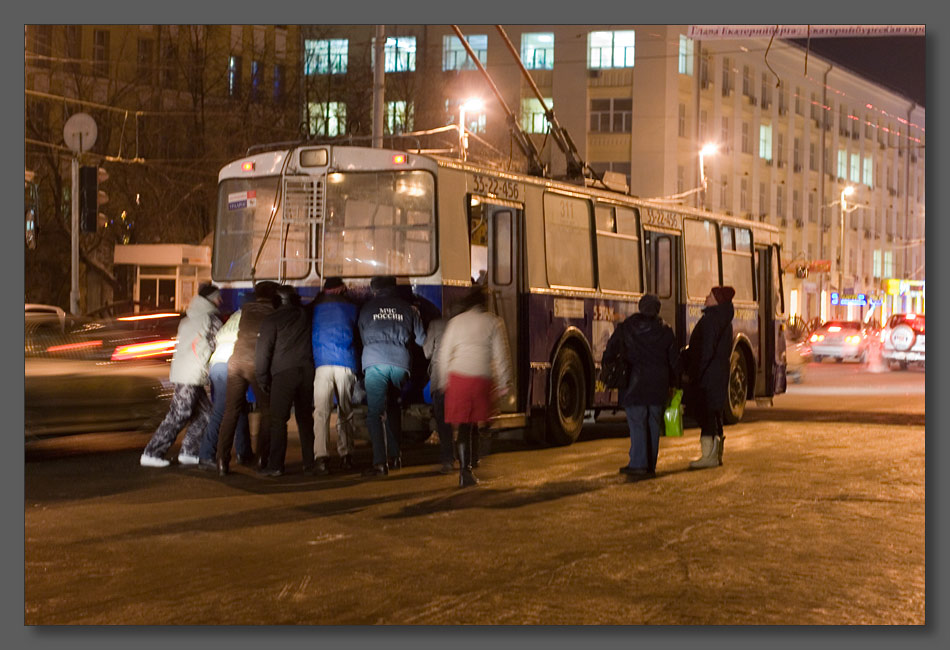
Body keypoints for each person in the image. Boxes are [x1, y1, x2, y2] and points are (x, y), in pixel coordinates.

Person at [435, 286, 512, 487]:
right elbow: (501, 355)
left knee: (463, 425)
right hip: (481, 379)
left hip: (458, 378)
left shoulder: (455, 322)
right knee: (479, 422)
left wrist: (444, 380)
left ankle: (464, 471)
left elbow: (444, 354)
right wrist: (505, 382)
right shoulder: (494, 322)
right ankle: (474, 462)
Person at [140, 283, 222, 468]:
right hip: (191, 373)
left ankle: (190, 452)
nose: (220, 300)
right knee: (180, 414)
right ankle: (152, 453)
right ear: (211, 299)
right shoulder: (211, 320)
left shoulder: (188, 319)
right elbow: (219, 343)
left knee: (205, 415)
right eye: (218, 296)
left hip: (184, 371)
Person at [603, 294, 679, 479]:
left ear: (640, 307)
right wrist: (674, 384)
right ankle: (650, 464)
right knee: (653, 423)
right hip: (658, 386)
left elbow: (610, 351)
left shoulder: (627, 327)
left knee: (637, 424)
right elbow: (675, 362)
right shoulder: (666, 331)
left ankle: (638, 463)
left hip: (633, 384)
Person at [357, 275, 426, 477]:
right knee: (394, 406)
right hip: (400, 364)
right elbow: (422, 340)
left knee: (375, 413)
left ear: (374, 290)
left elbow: (362, 337)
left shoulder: (366, 309)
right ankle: (396, 457)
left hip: (375, 362)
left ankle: (380, 463)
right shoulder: (410, 309)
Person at [215, 281, 279, 476]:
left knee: (231, 411)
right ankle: (261, 459)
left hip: (234, 362)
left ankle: (221, 461)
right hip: (256, 364)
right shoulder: (274, 313)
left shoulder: (245, 310)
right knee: (267, 410)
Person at [256, 285, 316, 477]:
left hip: (283, 374)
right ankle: (310, 463)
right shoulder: (304, 315)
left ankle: (276, 465)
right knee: (305, 418)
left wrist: (262, 378)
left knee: (278, 421)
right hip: (307, 372)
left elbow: (262, 353)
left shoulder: (271, 320)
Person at [310, 276, 361, 475]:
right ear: (341, 289)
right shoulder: (351, 306)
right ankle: (346, 455)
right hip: (345, 362)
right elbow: (357, 334)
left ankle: (321, 457)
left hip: (322, 363)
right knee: (345, 410)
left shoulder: (315, 306)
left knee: (321, 411)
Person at [685, 285, 735, 469]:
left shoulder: (711, 320)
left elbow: (705, 350)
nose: (706, 298)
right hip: (719, 372)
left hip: (708, 373)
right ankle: (716, 454)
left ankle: (708, 456)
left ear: (717, 300)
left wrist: (696, 372)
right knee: (715, 412)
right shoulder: (724, 320)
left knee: (706, 413)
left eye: (710, 296)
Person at [197, 308, 252, 470]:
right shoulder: (253, 316)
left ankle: (244, 451)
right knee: (221, 411)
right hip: (230, 364)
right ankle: (206, 455)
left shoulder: (234, 316)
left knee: (239, 407)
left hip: (217, 364)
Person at [423, 315, 455, 474]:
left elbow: (427, 352)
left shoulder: (434, 324)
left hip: (440, 378)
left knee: (443, 422)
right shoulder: (460, 324)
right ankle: (470, 459)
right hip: (459, 377)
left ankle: (448, 460)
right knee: (465, 420)